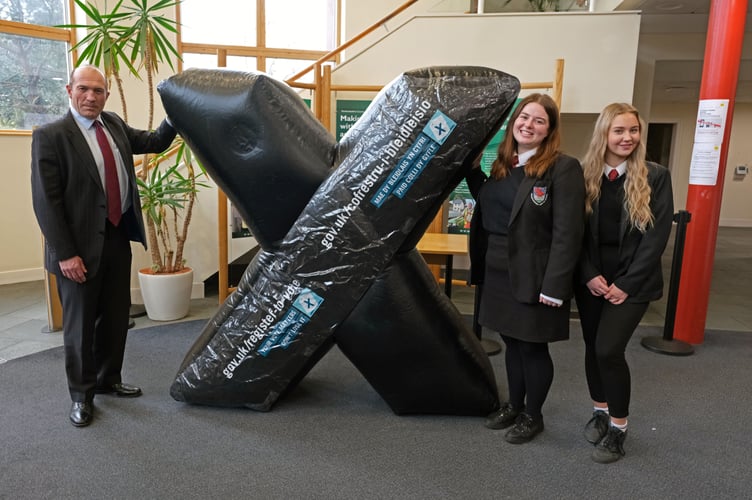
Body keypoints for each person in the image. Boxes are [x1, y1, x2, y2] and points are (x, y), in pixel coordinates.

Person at [31, 65, 176, 427]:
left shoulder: (113, 124)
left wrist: (177, 111)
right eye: (84, 89)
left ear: (106, 95)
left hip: (115, 236)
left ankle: (109, 379)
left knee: (114, 318)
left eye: (98, 90)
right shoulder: (51, 136)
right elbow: (46, 202)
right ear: (69, 90)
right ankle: (81, 396)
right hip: (76, 249)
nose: (91, 97)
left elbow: (155, 142)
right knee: (79, 327)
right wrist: (65, 254)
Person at [467, 93, 585, 444]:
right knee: (511, 342)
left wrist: (555, 286)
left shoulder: (562, 168)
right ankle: (514, 405)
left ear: (549, 130)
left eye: (538, 120)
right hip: (499, 269)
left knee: (532, 347)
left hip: (536, 274)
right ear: (513, 123)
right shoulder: (505, 165)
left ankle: (533, 415)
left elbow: (568, 233)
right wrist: (473, 171)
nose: (528, 125)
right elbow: (491, 205)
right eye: (524, 117)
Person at [576, 102, 673, 463]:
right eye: (619, 130)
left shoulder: (655, 176)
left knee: (608, 350)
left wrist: (627, 283)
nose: (627, 137)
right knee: (591, 347)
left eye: (633, 130)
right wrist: (587, 274)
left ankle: (618, 427)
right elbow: (574, 234)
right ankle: (600, 410)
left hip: (633, 283)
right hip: (592, 282)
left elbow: (656, 237)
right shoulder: (584, 174)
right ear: (605, 133)